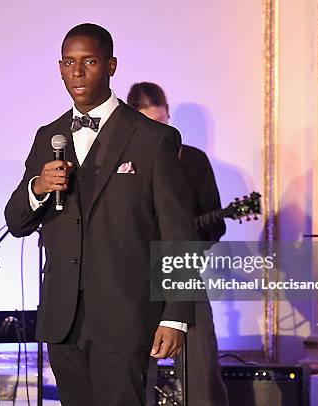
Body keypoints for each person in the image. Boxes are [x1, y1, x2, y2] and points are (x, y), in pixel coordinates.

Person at [5, 23, 197, 405]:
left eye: (89, 61)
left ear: (110, 66)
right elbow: (15, 221)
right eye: (69, 63)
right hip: (63, 318)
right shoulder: (49, 136)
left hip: (124, 316)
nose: (77, 72)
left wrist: (175, 315)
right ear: (60, 68)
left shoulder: (152, 138)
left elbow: (179, 233)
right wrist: (39, 187)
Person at [127, 82, 229, 406]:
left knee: (202, 377)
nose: (160, 131)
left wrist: (183, 241)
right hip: (132, 280)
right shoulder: (124, 163)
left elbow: (216, 226)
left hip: (181, 271)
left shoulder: (193, 161)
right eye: (150, 124)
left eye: (164, 122)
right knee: (134, 378)